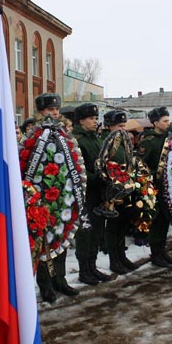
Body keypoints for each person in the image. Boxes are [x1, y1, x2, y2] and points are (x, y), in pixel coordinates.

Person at [30, 93, 79, 302]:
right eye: (51, 110)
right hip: (40, 197)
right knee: (44, 243)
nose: (55, 113)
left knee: (62, 237)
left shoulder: (62, 135)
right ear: (41, 112)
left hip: (63, 196)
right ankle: (46, 285)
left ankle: (61, 279)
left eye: (57, 110)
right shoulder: (33, 136)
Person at [73, 103, 113, 284]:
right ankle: (84, 270)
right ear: (81, 121)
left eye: (96, 118)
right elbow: (77, 168)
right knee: (86, 232)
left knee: (96, 231)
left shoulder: (96, 139)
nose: (95, 121)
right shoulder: (77, 140)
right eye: (91, 118)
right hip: (85, 194)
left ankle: (92, 266)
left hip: (99, 192)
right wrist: (96, 177)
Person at [139, 106, 172, 268]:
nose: (168, 123)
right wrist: (157, 174)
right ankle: (156, 253)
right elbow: (141, 165)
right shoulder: (149, 141)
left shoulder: (170, 138)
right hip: (155, 187)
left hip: (167, 187)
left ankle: (162, 251)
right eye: (165, 121)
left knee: (164, 220)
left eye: (168, 120)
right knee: (157, 221)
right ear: (155, 123)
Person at [102, 110, 139, 273]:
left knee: (123, 224)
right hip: (111, 192)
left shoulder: (124, 142)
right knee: (113, 227)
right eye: (119, 126)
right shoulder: (106, 142)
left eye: (124, 126)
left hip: (125, 189)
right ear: (109, 126)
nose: (122, 129)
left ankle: (121, 256)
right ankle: (113, 260)